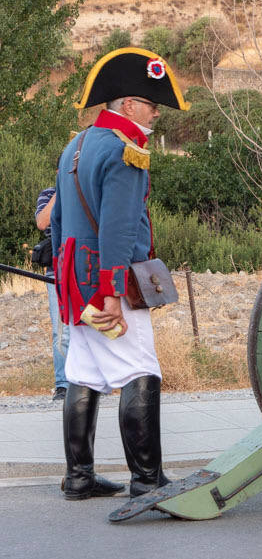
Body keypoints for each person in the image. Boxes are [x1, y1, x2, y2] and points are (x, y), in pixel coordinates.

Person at [50, 47, 189, 500]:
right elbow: (118, 226)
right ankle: (147, 480)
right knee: (139, 369)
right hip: (112, 279)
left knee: (83, 372)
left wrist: (67, 278)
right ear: (128, 104)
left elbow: (57, 222)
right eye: (151, 105)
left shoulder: (76, 144)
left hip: (74, 277)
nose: (154, 115)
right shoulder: (125, 151)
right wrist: (112, 290)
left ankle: (79, 477)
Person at [35, 183, 69, 401]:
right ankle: (63, 384)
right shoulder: (48, 194)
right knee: (61, 330)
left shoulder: (87, 189)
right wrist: (60, 191)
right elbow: (42, 222)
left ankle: (88, 381)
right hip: (55, 271)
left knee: (87, 327)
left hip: (84, 270)